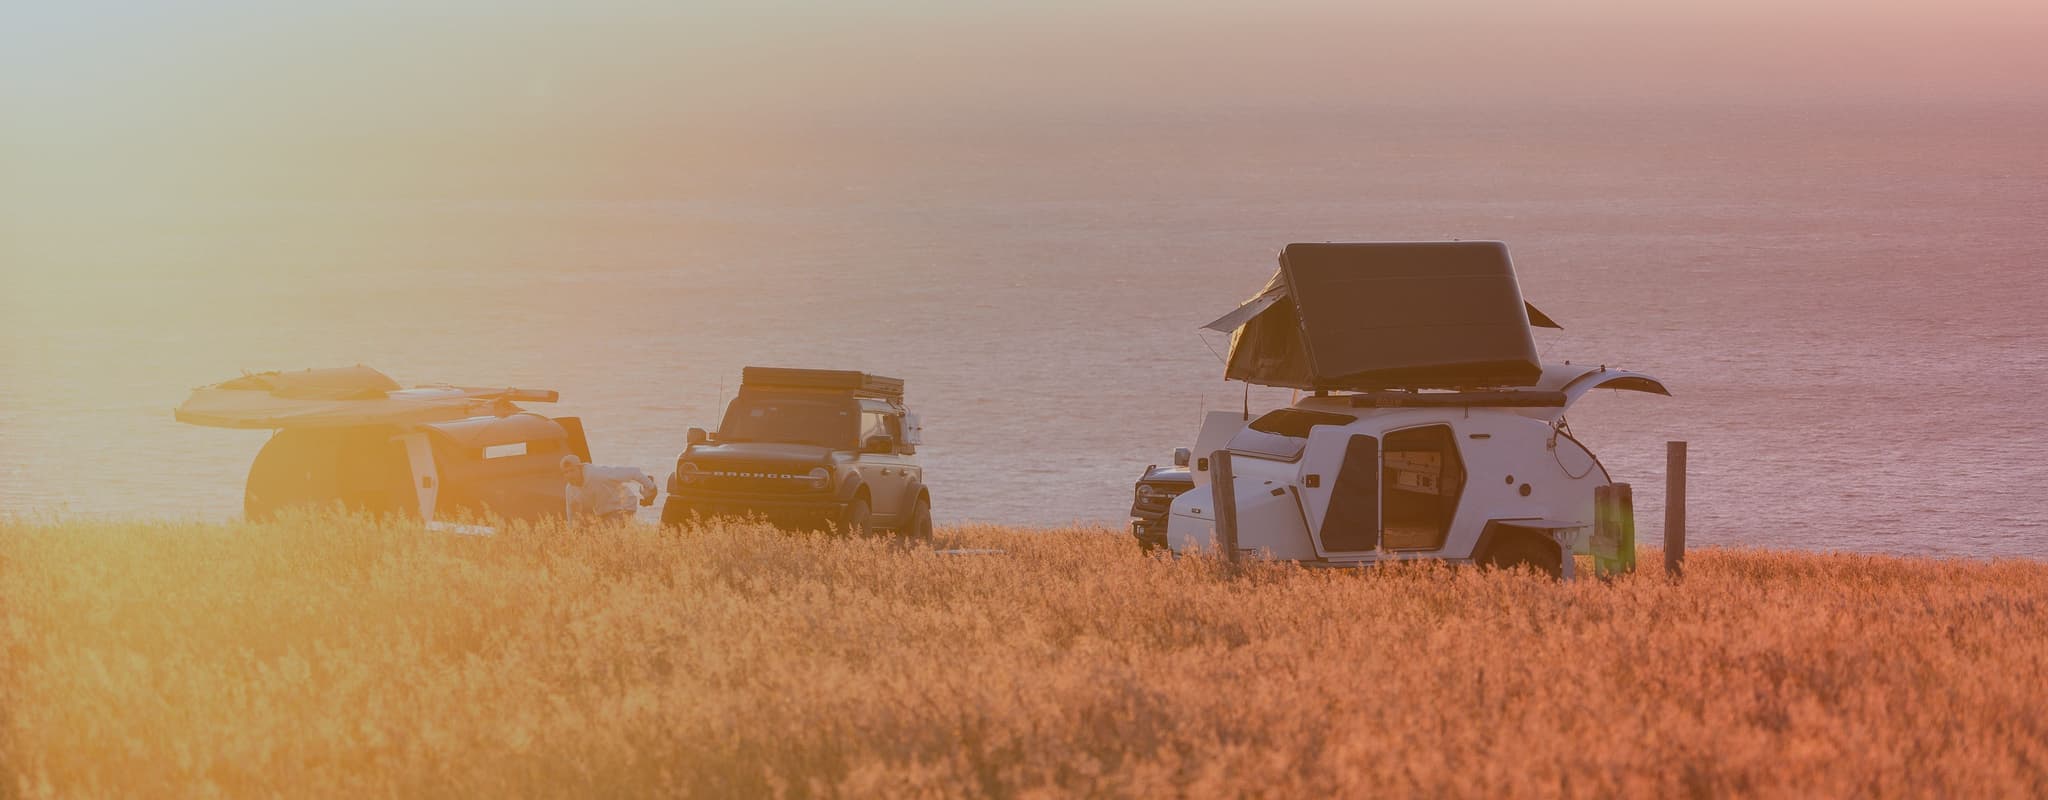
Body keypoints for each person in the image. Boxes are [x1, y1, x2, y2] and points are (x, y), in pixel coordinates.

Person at [560, 455, 657, 524]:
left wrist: (651, 487)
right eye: (565, 472)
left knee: (602, 534)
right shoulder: (570, 489)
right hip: (603, 513)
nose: (569, 475)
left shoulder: (598, 474)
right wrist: (572, 534)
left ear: (580, 468)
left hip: (623, 506)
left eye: (572, 470)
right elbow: (571, 513)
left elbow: (633, 472)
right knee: (588, 533)